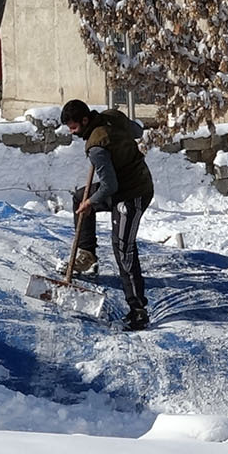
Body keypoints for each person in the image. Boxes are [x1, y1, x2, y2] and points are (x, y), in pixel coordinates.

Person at [61, 98, 154, 331]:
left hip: (133, 192)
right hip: (119, 184)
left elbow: (108, 187)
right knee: (78, 197)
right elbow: (137, 130)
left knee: (123, 247)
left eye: (74, 127)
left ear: (85, 120)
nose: (72, 133)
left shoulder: (96, 148)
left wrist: (91, 202)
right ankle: (87, 254)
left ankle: (138, 309)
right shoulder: (113, 116)